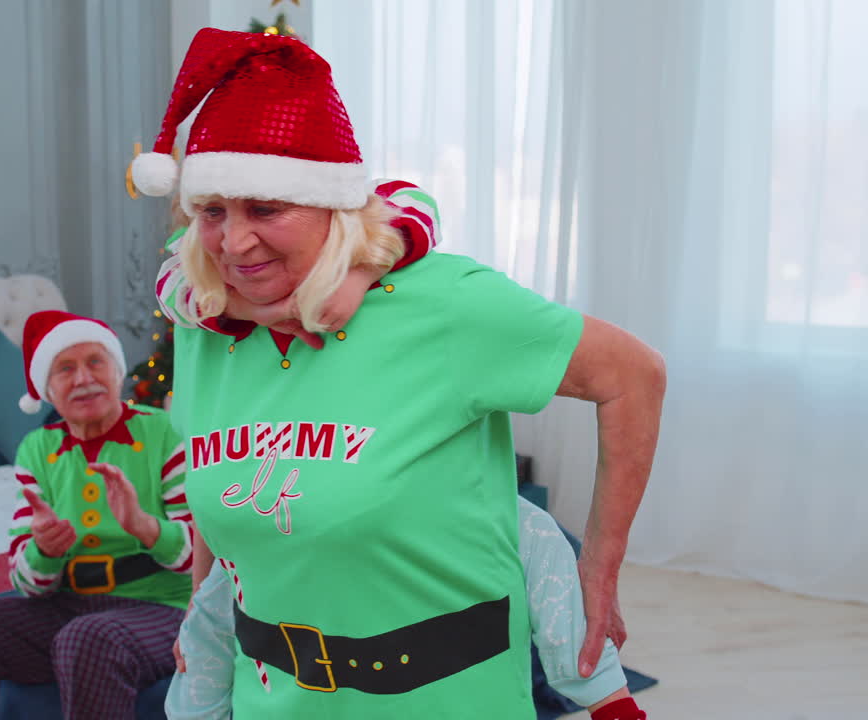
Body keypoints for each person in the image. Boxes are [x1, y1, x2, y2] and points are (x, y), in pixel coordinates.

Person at [130, 27, 665, 719]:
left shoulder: (444, 305)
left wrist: (599, 562)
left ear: (334, 205)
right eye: (213, 211)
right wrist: (204, 620)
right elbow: (221, 503)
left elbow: (634, 376)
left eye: (266, 207)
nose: (234, 242)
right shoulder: (206, 325)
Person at [0, 311, 195, 720]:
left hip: (162, 607)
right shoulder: (36, 449)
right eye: (65, 369)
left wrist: (144, 527)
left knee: (88, 638)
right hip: (67, 604)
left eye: (95, 362)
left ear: (118, 373)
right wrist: (43, 551)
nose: (83, 378)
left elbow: (200, 559)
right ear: (48, 388)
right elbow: (26, 583)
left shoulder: (165, 432)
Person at [167, 497, 643, 719]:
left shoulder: (511, 522)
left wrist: (611, 702)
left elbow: (580, 654)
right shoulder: (274, 521)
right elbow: (211, 623)